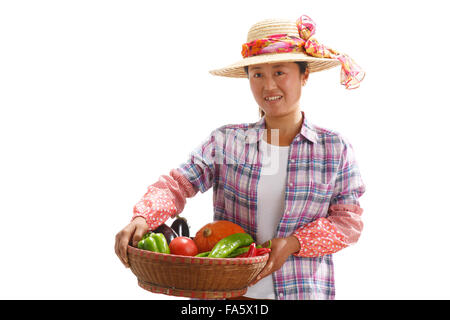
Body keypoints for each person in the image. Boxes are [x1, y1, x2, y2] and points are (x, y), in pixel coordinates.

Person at [115, 14, 366, 300]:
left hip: (304, 292)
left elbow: (348, 222)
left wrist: (294, 243)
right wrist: (144, 216)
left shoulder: (334, 149)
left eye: (280, 72)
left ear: (304, 74)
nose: (269, 86)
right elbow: (178, 184)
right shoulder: (226, 142)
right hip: (231, 295)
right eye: (257, 74)